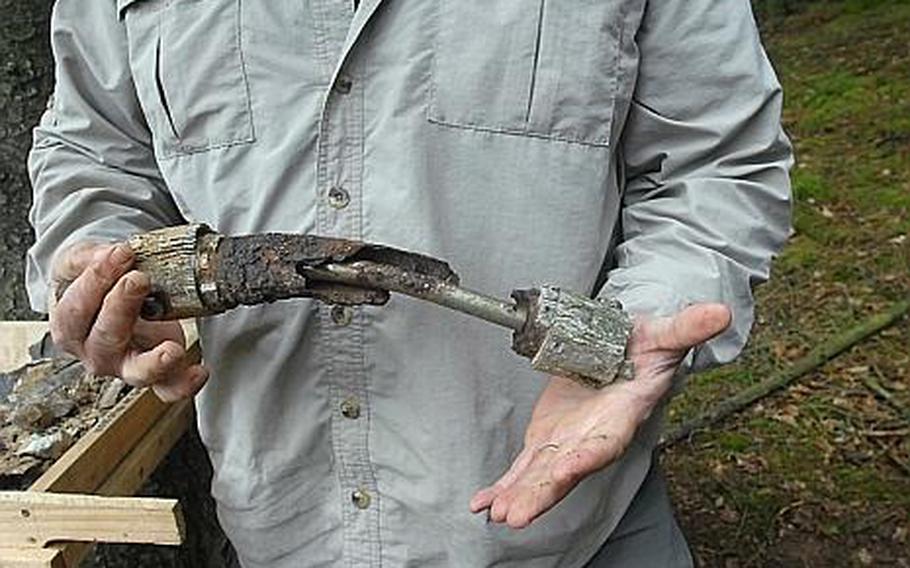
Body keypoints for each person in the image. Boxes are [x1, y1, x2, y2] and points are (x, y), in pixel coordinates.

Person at [27, 0, 792, 566]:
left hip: (581, 535)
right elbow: (94, 152)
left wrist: (637, 325)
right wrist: (97, 268)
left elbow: (717, 162)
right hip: (278, 533)